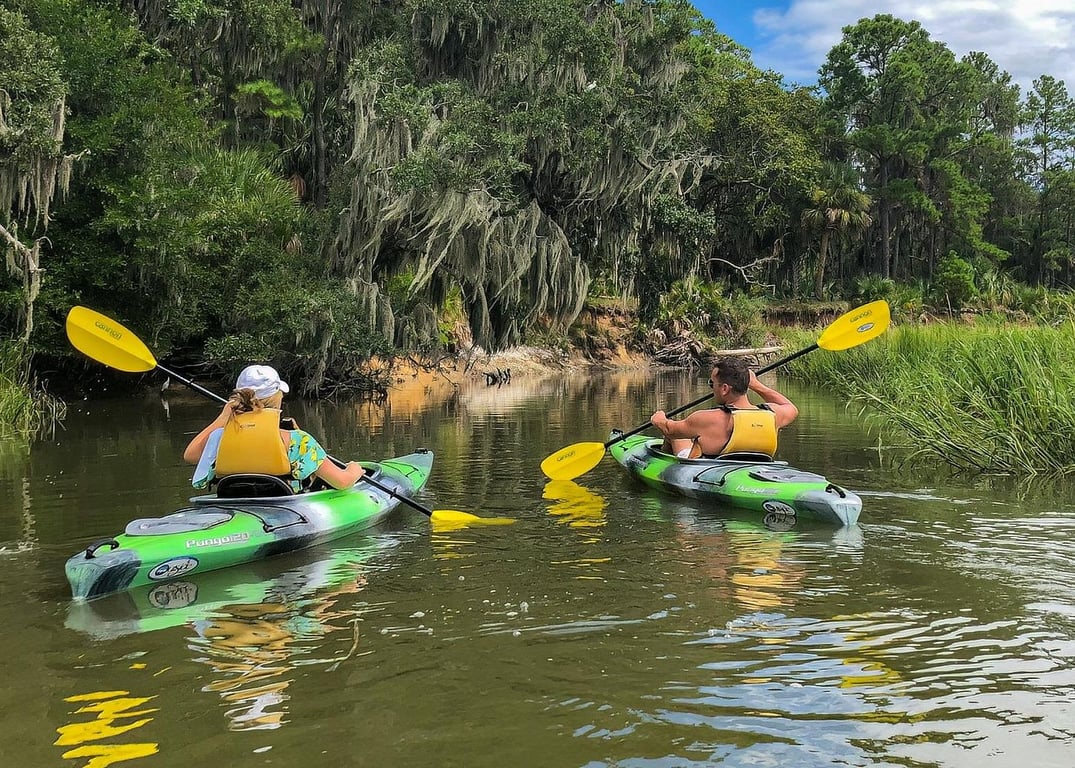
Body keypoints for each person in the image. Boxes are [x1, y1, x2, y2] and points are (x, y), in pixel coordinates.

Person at [183, 364, 364, 492]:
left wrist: (223, 418)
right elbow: (342, 482)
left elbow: (190, 455)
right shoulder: (297, 440)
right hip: (282, 507)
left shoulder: (219, 438)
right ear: (277, 398)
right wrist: (354, 470)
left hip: (232, 502)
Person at [650, 356, 798, 459]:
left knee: (674, 436)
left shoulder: (707, 419)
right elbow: (790, 407)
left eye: (712, 383)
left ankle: (662, 463)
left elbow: (670, 430)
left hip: (708, 473)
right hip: (755, 470)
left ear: (725, 389)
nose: (712, 388)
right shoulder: (773, 415)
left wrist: (659, 419)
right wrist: (756, 385)